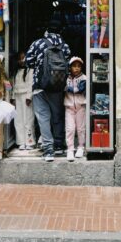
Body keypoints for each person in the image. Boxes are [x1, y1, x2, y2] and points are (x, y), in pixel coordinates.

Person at [25, 22, 71, 162]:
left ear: (46, 30)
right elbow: (68, 61)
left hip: (40, 85)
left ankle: (48, 150)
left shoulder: (38, 43)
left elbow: (28, 61)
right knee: (57, 115)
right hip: (57, 86)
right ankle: (59, 145)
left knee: (43, 117)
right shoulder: (64, 45)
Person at [64, 57, 87, 162]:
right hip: (69, 106)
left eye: (79, 66)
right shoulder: (66, 77)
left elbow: (80, 89)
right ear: (70, 67)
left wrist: (67, 88)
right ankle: (70, 149)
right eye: (74, 66)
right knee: (70, 129)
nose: (76, 68)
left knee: (81, 128)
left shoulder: (84, 78)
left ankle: (81, 147)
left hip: (80, 106)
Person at [12, 51, 35, 150]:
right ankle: (21, 142)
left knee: (28, 119)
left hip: (26, 97)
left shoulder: (30, 70)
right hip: (17, 96)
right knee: (18, 120)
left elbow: (31, 84)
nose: (22, 60)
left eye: (24, 58)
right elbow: (12, 86)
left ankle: (29, 141)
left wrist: (29, 97)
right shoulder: (15, 71)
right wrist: (12, 97)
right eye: (20, 58)